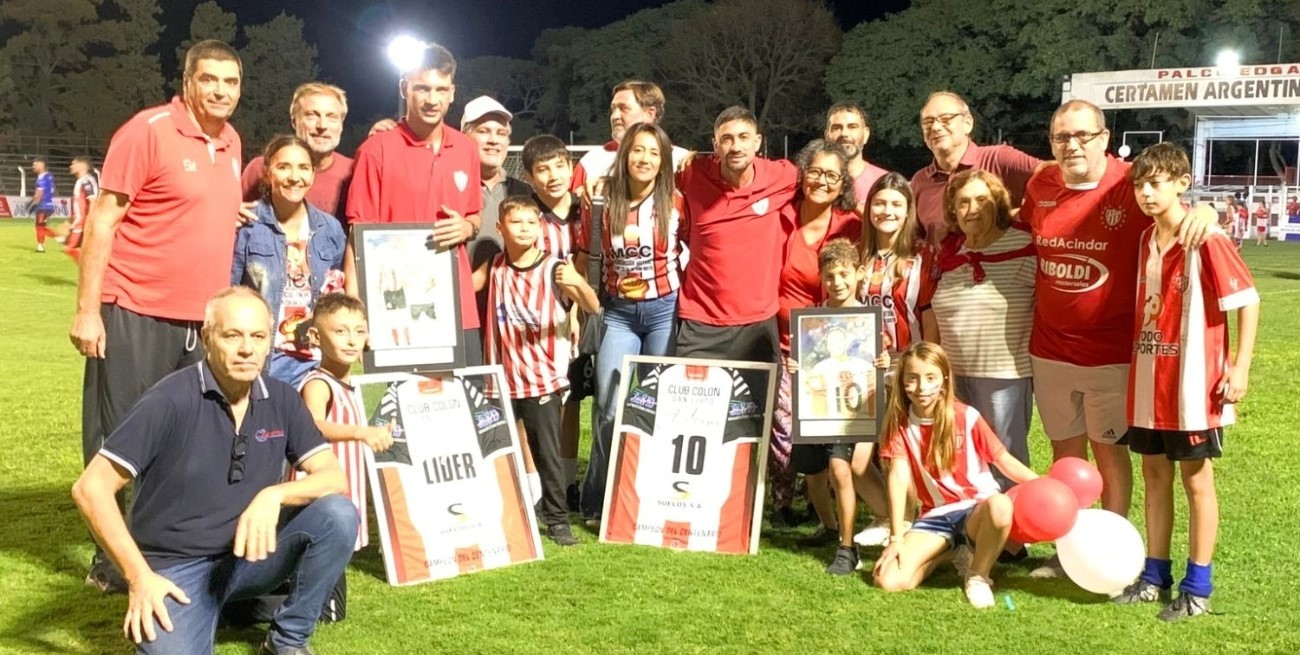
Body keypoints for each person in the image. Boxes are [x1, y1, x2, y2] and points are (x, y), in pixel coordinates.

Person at [70, 287, 358, 655]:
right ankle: (196, 610)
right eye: (232, 335)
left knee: (337, 514)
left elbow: (334, 478)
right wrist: (139, 577)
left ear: (270, 342)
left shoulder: (283, 397)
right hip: (176, 568)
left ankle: (287, 642)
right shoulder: (169, 400)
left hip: (250, 555)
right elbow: (90, 489)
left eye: (257, 337)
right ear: (207, 338)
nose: (246, 349)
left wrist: (275, 495)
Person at [69, 39, 245, 592]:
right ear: (188, 82)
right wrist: (88, 311)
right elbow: (104, 220)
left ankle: (161, 549)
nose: (220, 91)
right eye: (210, 79)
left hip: (200, 322)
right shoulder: (148, 131)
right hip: (135, 309)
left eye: (231, 82)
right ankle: (111, 563)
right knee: (122, 437)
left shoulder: (232, 140)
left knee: (181, 441)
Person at [1019, 99, 1217, 578]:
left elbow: (1174, 205)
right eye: (1062, 137)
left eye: (1083, 135)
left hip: (1111, 353)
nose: (1072, 145)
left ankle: (1109, 549)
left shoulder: (1129, 183)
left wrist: (1207, 209)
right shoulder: (1040, 185)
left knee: (1109, 457)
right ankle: (1069, 551)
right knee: (1066, 458)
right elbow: (1018, 221)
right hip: (1049, 351)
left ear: (1104, 138)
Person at [1112, 143, 1259, 621]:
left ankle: (1198, 586)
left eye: (1157, 182)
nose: (1146, 192)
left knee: (1196, 482)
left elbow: (1249, 301)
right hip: (1149, 378)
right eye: (1140, 184)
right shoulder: (1144, 240)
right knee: (1155, 477)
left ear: (1182, 182)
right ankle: (1155, 576)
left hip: (1192, 388)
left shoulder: (1206, 237)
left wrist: (1240, 367)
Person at [574, 122, 686, 525]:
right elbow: (585, 254)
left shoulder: (677, 202)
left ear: (664, 161)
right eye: (638, 150)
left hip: (663, 311)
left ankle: (648, 496)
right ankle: (596, 499)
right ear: (625, 155)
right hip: (618, 313)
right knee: (608, 407)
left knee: (655, 407)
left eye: (654, 153)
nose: (644, 159)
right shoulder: (601, 198)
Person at [345, 43, 484, 363]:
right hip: (396, 308)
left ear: (452, 92)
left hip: (456, 305)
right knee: (405, 408)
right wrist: (355, 302)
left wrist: (465, 226)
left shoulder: (466, 148)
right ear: (404, 88)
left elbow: (474, 215)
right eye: (422, 88)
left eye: (440, 89)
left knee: (464, 405)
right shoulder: (375, 150)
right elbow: (359, 233)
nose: (432, 99)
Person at [872, 342, 1037, 609]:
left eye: (930, 378)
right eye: (912, 378)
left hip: (976, 511)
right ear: (902, 381)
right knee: (889, 581)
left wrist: (1046, 485)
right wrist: (896, 539)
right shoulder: (899, 425)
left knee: (1001, 504)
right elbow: (898, 479)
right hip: (936, 516)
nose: (922, 387)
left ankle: (978, 575)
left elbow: (1004, 461)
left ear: (945, 380)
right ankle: (949, 552)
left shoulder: (966, 416)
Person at [479, 195, 600, 545]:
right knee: (498, 449)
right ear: (500, 227)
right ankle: (505, 509)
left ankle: (557, 520)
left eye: (532, 223)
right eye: (516, 223)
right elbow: (464, 285)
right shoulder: (496, 266)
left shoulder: (554, 267)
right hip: (500, 379)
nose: (525, 229)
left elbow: (591, 305)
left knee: (546, 451)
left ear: (541, 229)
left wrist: (576, 282)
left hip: (541, 379)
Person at [787, 238, 891, 575]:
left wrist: (884, 360)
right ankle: (829, 528)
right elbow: (807, 362)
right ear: (821, 277)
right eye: (830, 276)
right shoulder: (813, 319)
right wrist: (796, 366)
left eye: (844, 274)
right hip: (815, 409)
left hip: (850, 413)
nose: (838, 283)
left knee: (839, 469)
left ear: (859, 274)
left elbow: (885, 360)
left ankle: (848, 548)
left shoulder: (869, 320)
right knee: (814, 473)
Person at [927, 170, 1036, 487]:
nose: (971, 209)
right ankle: (973, 529)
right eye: (962, 202)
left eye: (980, 200)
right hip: (954, 376)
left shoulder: (1025, 246)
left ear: (998, 204)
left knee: (1005, 458)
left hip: (1003, 377)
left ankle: (1016, 532)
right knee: (962, 456)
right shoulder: (950, 253)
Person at [774, 140, 863, 530]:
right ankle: (781, 501)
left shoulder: (851, 225)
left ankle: (823, 505)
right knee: (785, 425)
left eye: (831, 175)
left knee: (825, 428)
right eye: (815, 171)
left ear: (842, 181)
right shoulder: (780, 216)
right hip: (776, 339)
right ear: (802, 172)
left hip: (828, 346)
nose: (821, 181)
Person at [675, 105, 798, 364]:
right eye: (727, 139)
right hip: (701, 322)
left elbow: (828, 184)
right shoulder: (691, 174)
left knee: (760, 405)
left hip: (758, 322)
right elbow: (647, 179)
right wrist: (604, 184)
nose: (736, 146)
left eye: (744, 137)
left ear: (757, 142)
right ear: (715, 145)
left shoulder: (782, 176)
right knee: (690, 405)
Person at [231, 136, 347, 387]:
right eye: (284, 167)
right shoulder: (247, 226)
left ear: (313, 174)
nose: (295, 177)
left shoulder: (330, 230)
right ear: (267, 173)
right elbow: (228, 293)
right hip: (265, 359)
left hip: (315, 363)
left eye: (303, 167)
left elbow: (335, 294)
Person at [521, 133, 586, 508]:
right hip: (537, 323)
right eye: (542, 170)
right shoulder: (527, 214)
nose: (552, 176)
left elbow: (584, 265)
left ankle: (565, 481)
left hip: (578, 316)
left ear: (570, 167)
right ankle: (538, 485)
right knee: (540, 404)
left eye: (558, 166)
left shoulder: (587, 209)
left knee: (573, 399)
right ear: (530, 177)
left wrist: (575, 310)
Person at [910, 92, 1041, 243]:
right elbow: (915, 239)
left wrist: (1020, 214)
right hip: (943, 266)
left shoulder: (999, 159)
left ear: (968, 123)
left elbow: (1054, 174)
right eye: (928, 122)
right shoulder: (920, 181)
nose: (935, 127)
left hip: (1002, 264)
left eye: (946, 119)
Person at [241, 83, 354, 219]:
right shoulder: (260, 168)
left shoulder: (355, 172)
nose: (322, 125)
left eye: (331, 117)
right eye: (312, 115)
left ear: (341, 125)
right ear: (294, 122)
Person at [571, 80, 690, 193]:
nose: (615, 116)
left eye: (624, 109)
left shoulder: (681, 161)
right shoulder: (592, 161)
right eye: (613, 109)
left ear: (649, 114)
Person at [823, 102, 889, 210]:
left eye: (852, 127)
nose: (844, 133)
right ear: (827, 136)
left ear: (866, 134)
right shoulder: (815, 182)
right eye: (837, 128)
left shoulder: (884, 182)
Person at [64, 156, 99, 257]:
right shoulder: (81, 181)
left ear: (83, 165)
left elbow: (93, 202)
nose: (71, 166)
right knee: (74, 251)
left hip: (82, 223)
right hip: (78, 222)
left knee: (70, 250)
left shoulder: (87, 181)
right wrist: (69, 220)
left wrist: (89, 222)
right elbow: (78, 205)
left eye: (74, 163)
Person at [31, 157, 56, 252]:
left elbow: (39, 193)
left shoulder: (41, 177)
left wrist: (33, 203)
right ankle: (41, 245)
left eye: (35, 164)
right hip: (49, 205)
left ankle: (41, 247)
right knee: (43, 226)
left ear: (41, 164)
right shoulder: (49, 176)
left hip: (43, 205)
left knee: (39, 226)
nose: (33, 167)